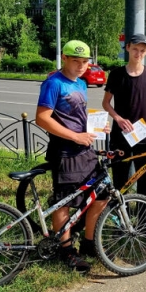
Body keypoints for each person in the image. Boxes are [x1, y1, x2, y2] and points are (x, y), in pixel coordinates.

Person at [36, 40, 109, 273]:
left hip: (84, 151)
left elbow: (77, 114)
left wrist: (96, 128)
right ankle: (66, 251)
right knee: (63, 202)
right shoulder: (53, 83)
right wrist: (75, 137)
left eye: (85, 61)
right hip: (65, 152)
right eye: (75, 61)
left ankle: (89, 243)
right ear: (64, 58)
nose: (80, 66)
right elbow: (42, 118)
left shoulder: (81, 83)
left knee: (101, 195)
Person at [102, 33, 146, 194]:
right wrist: (117, 118)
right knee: (120, 183)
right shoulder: (117, 74)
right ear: (128, 48)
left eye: (143, 50)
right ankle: (119, 216)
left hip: (143, 137)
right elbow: (105, 103)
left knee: (144, 184)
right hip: (120, 137)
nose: (138, 54)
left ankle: (143, 218)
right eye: (135, 49)